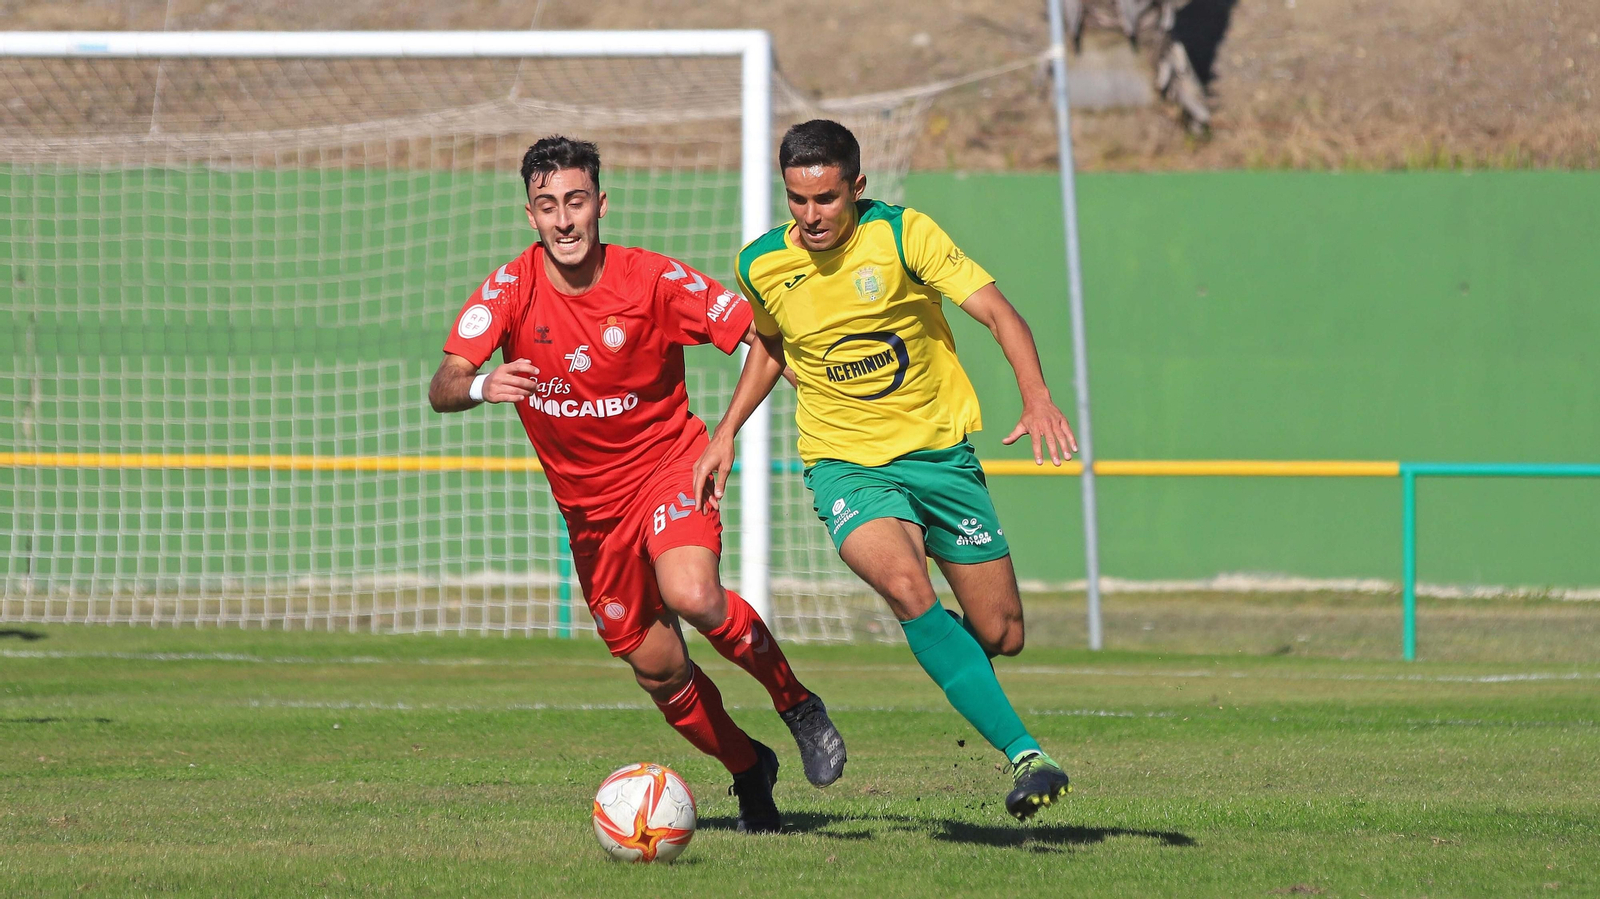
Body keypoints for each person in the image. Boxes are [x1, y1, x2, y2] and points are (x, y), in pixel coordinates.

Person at [429, 135, 845, 834]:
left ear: (600, 205)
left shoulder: (652, 279)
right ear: (530, 215)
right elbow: (441, 384)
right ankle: (750, 769)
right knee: (660, 670)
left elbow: (759, 335)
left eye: (576, 201)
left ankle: (798, 703)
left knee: (693, 593)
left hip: (667, 467)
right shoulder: (508, 291)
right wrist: (480, 382)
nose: (564, 220)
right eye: (547, 206)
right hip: (591, 517)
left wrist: (797, 400)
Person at [693, 119, 1077, 822]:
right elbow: (772, 347)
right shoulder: (762, 264)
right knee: (905, 584)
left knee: (1001, 635)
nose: (811, 216)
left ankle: (952, 649)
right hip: (845, 466)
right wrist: (726, 432)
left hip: (941, 457)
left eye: (827, 199)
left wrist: (1038, 395)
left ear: (857, 187)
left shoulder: (906, 235)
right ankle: (1028, 754)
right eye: (798, 200)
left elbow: (998, 312)